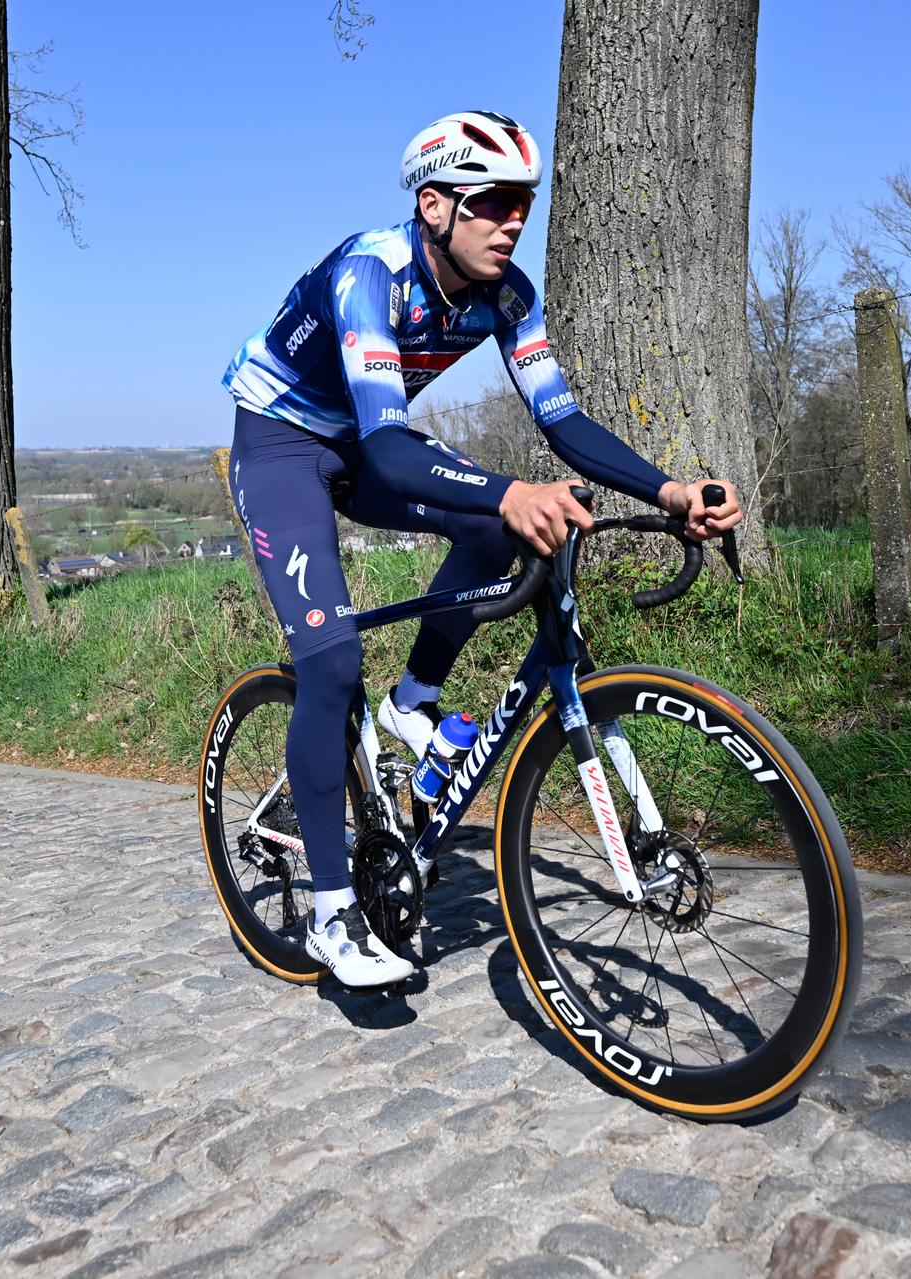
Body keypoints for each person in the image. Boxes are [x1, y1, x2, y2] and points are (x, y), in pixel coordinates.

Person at [221, 109, 744, 987]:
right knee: (332, 661)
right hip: (282, 444)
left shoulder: (508, 295)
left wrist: (668, 490)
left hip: (363, 441)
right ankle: (332, 914)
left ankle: (413, 702)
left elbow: (563, 418)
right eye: (494, 202)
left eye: (523, 205)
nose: (513, 222)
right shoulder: (368, 276)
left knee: (498, 525)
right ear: (434, 206)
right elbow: (392, 449)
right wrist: (511, 486)